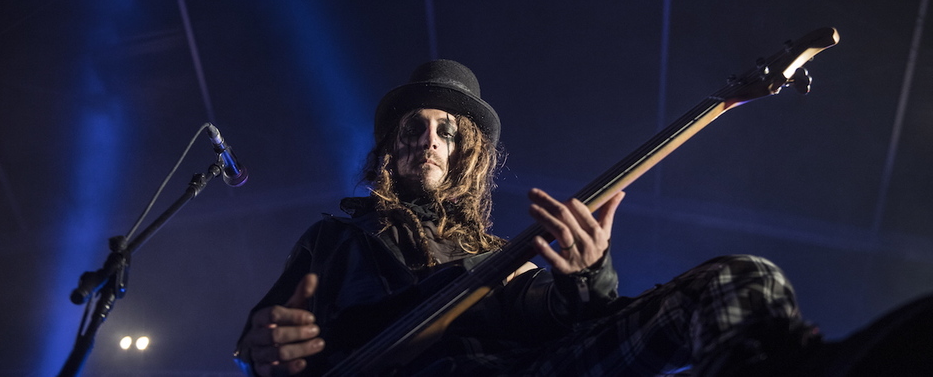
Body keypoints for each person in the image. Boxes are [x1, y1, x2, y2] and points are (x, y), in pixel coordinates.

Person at [234, 60, 932, 376]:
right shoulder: (338, 238)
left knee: (740, 279)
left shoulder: (498, 256)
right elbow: (268, 337)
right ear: (390, 147)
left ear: (468, 153)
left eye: (447, 131)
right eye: (415, 127)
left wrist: (585, 273)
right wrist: (267, 348)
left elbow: (555, 314)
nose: (429, 140)